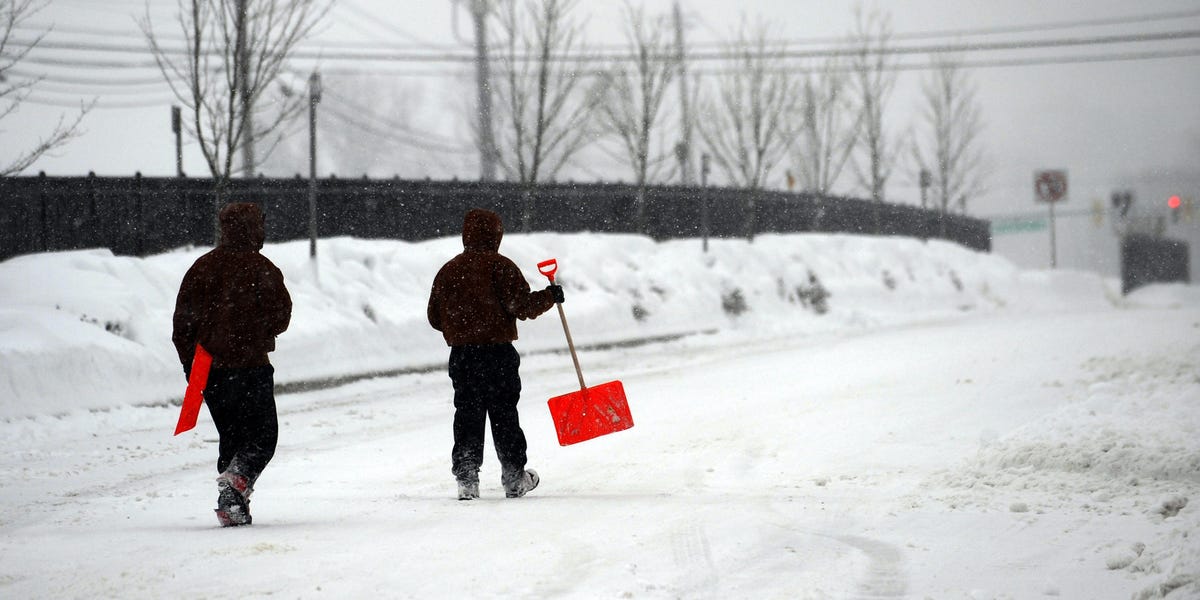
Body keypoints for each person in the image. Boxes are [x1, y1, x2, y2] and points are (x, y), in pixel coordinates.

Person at [427, 208, 565, 500]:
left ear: (466, 235)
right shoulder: (501, 266)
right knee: (504, 414)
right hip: (498, 354)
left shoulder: (449, 270)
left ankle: (467, 478)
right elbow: (522, 306)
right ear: (496, 235)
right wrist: (549, 296)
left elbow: (434, 317)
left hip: (463, 356)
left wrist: (462, 328)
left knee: (468, 413)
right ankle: (514, 477)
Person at [172, 202, 292, 526]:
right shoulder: (262, 269)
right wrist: (256, 330)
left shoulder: (201, 268)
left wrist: (191, 365)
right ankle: (235, 487)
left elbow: (182, 324)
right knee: (263, 437)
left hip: (209, 370)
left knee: (231, 436)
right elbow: (281, 317)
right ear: (254, 227)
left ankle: (232, 503)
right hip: (251, 366)